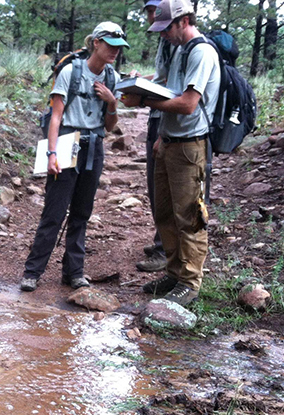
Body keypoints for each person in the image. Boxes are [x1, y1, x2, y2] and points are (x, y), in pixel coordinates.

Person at [120, 0, 220, 306]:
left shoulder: (201, 51)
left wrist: (144, 103)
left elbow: (188, 103)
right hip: (170, 140)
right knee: (164, 211)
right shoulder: (179, 50)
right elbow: (170, 91)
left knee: (188, 215)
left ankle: (189, 281)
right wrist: (162, 135)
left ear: (185, 20)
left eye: (167, 29)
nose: (163, 35)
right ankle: (175, 272)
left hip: (190, 146)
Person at [20, 22, 127, 292]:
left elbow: (109, 127)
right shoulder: (70, 71)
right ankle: (32, 272)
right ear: (96, 43)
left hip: (94, 146)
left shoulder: (112, 78)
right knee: (54, 212)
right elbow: (56, 117)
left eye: (119, 48)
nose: (115, 52)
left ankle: (74, 272)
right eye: (111, 46)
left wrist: (112, 102)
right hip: (67, 143)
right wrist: (51, 153)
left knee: (82, 212)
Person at [134, 0, 173, 274]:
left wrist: (143, 93)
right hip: (158, 120)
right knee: (154, 185)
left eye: (154, 12)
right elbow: (162, 76)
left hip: (166, 120)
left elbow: (173, 84)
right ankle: (162, 242)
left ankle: (164, 250)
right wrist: (141, 78)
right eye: (148, 12)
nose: (150, 17)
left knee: (161, 187)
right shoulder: (164, 40)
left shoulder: (175, 42)